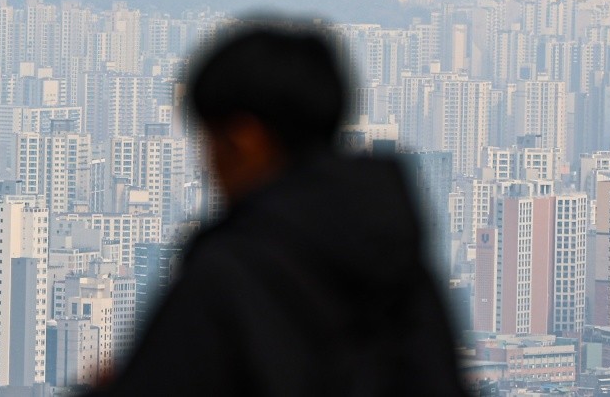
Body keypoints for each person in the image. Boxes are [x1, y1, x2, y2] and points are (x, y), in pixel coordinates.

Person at [85, 21, 468, 396]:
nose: (206, 165)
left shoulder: (229, 274)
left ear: (245, 140)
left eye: (211, 143)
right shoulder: (394, 261)